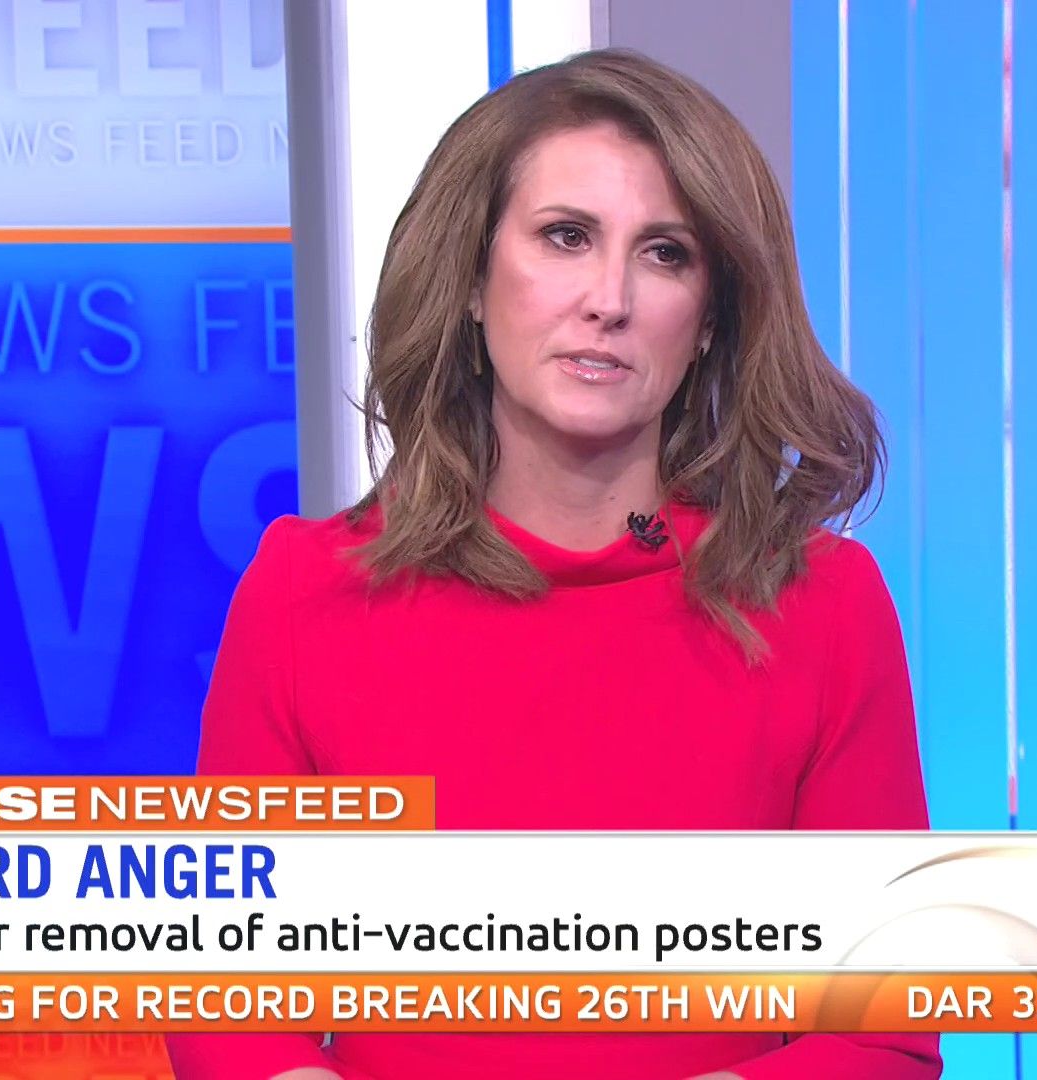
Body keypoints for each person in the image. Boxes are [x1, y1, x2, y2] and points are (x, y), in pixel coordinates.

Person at [169, 48, 940, 1080]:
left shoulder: (822, 604)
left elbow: (880, 1034)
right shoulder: (307, 593)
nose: (609, 298)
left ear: (710, 321)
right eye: (566, 236)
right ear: (472, 280)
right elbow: (230, 1007)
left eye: (664, 254)